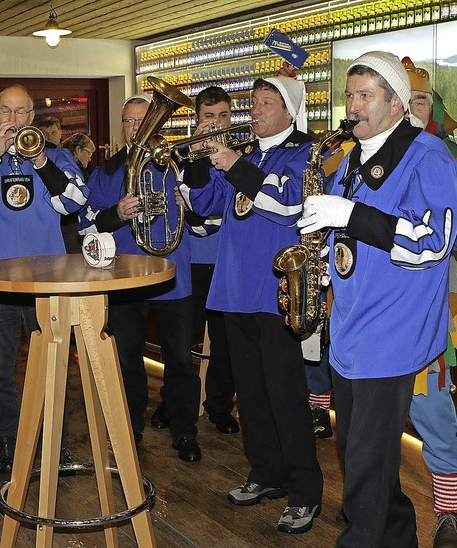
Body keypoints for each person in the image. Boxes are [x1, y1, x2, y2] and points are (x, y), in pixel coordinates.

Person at [297, 51, 457, 547]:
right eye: (350, 94)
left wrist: (348, 214)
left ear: (397, 103)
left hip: (392, 335)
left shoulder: (428, 156)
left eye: (366, 95)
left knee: (364, 472)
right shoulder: (352, 158)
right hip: (351, 331)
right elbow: (351, 240)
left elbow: (433, 243)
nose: (353, 106)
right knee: (368, 463)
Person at [178, 75, 323, 533]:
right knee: (252, 394)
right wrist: (201, 160)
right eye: (254, 102)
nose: (254, 110)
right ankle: (265, 472)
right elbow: (205, 206)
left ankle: (305, 491)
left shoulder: (305, 152)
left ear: (289, 110)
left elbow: (287, 205)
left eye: (265, 102)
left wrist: (233, 162)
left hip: (277, 293)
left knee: (286, 396)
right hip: (234, 291)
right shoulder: (249, 155)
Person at [78, 93, 202, 462]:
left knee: (180, 360)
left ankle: (184, 429)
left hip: (172, 276)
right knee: (127, 360)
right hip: (124, 280)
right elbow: (85, 225)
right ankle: (129, 427)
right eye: (130, 122)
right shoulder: (107, 172)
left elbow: (205, 219)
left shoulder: (179, 164)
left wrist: (189, 207)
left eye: (144, 120)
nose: (136, 129)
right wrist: (116, 213)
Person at [0, 84, 88, 474]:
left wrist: (39, 159)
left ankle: (58, 444)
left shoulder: (56, 156)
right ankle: (7, 442)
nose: (14, 120)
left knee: (54, 365)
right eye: (6, 111)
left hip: (45, 279)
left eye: (21, 112)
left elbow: (73, 202)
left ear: (32, 115)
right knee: (0, 368)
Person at [403, 56, 457, 548]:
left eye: (422, 99)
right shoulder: (372, 153)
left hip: (447, 305)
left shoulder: (448, 157)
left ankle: (450, 509)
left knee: (434, 400)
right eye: (409, 98)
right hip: (403, 311)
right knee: (429, 403)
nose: (415, 107)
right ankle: (448, 510)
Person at [182, 85, 238, 435]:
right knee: (181, 340)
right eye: (208, 117)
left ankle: (219, 406)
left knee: (225, 341)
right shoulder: (185, 157)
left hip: (226, 261)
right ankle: (179, 406)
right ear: (197, 120)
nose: (216, 123)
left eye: (223, 116)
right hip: (190, 261)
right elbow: (195, 216)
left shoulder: (242, 156)